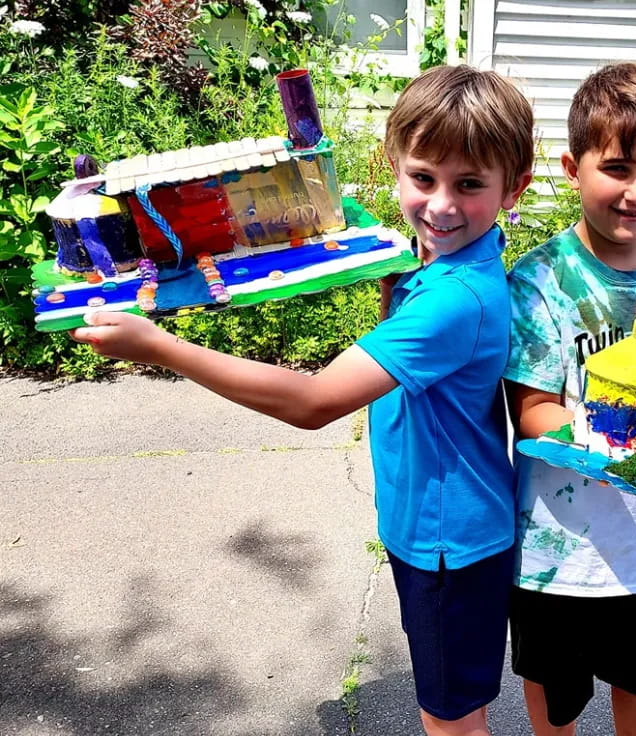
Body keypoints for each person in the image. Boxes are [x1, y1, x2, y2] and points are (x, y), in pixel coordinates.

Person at [71, 64, 535, 736]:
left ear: (512, 188)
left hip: (447, 543)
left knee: (452, 721)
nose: (440, 206)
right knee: (457, 705)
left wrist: (163, 348)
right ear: (394, 167)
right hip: (450, 530)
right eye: (423, 178)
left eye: (470, 185)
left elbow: (315, 401)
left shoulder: (454, 301)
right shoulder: (456, 260)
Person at [503, 62, 636, 736]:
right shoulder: (538, 282)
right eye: (618, 168)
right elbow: (533, 414)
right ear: (573, 168)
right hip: (556, 559)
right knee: (556, 721)